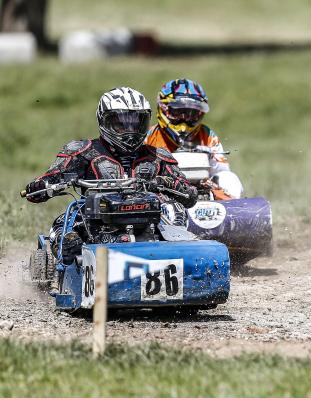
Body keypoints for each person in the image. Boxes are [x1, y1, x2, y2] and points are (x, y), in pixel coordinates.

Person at [24, 87, 198, 264]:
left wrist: (162, 182)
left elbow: (190, 196)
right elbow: (48, 180)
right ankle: (73, 263)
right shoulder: (83, 151)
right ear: (104, 121)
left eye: (137, 123)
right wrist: (43, 185)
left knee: (175, 209)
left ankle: (181, 254)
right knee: (66, 220)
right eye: (121, 124)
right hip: (97, 220)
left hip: (150, 219)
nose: (130, 131)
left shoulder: (158, 156)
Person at [145, 78, 243, 199]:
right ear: (163, 109)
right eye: (178, 112)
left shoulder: (207, 135)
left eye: (192, 114)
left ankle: (227, 213)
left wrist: (211, 187)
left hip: (199, 191)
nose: (185, 120)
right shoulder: (148, 137)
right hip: (160, 193)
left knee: (229, 179)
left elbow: (222, 171)